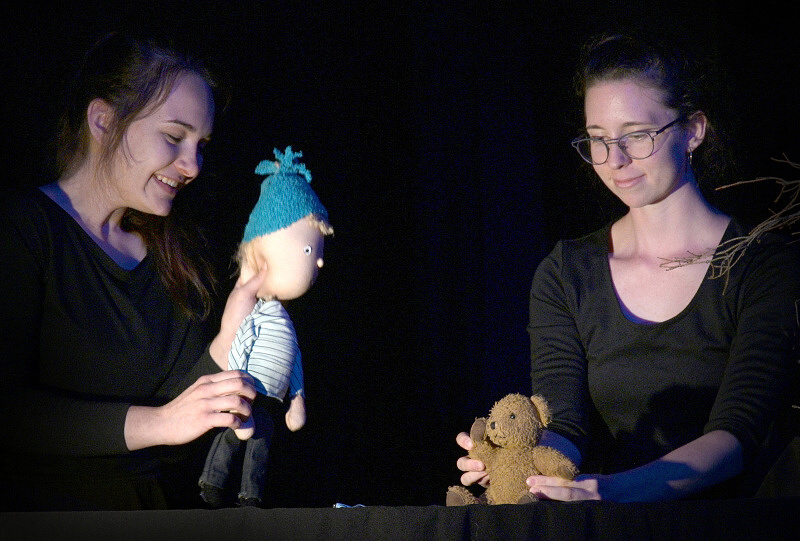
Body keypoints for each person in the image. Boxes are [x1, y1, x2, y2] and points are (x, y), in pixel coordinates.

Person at [455, 33, 800, 502]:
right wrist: (518, 461)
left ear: (693, 130)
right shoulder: (566, 274)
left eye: (637, 135)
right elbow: (566, 426)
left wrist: (613, 491)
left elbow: (737, 434)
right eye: (598, 140)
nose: (614, 160)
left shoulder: (762, 264)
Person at [0, 31, 264, 511]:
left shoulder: (171, 252)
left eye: (201, 144)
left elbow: (180, 429)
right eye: (174, 137)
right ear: (103, 121)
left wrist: (232, 331)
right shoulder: (24, 231)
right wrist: (160, 422)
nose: (193, 165)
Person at [198, 147, 333, 508]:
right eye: (310, 251)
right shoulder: (257, 314)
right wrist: (235, 384)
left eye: (318, 251)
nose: (319, 261)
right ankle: (212, 483)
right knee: (232, 436)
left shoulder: (284, 322)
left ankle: (249, 495)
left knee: (260, 443)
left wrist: (298, 399)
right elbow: (241, 340)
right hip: (248, 392)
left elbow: (294, 359)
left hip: (271, 399)